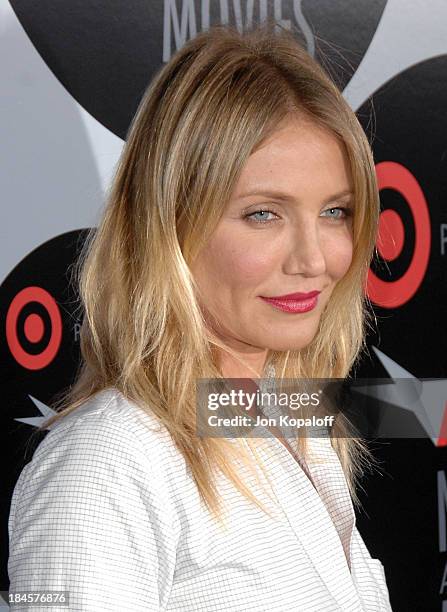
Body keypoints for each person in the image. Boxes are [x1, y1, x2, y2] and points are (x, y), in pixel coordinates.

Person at [8, 21, 393, 611]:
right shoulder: (105, 465)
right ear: (171, 226)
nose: (315, 259)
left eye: (335, 212)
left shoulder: (292, 422)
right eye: (264, 214)